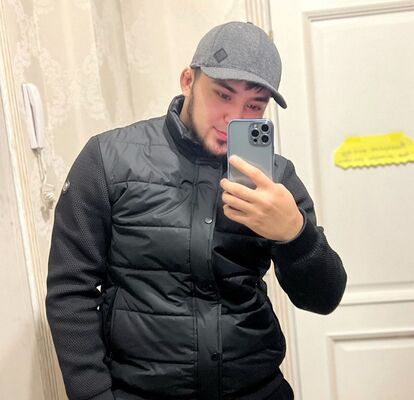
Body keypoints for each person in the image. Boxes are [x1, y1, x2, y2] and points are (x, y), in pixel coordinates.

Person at [46, 21, 347, 400]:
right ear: (188, 81)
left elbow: (323, 298)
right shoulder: (107, 160)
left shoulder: (275, 180)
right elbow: (71, 291)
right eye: (222, 95)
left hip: (257, 390)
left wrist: (295, 234)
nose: (234, 117)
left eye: (254, 105)